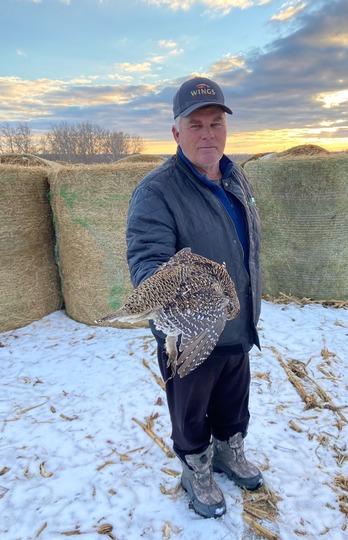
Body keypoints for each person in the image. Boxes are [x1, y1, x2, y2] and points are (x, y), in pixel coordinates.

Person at [126, 76, 263, 518]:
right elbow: (147, 262)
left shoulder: (234, 175)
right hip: (190, 334)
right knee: (190, 409)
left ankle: (229, 450)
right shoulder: (157, 191)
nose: (208, 133)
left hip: (237, 320)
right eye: (196, 124)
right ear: (176, 132)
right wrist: (190, 305)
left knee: (233, 398)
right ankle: (195, 467)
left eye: (216, 123)